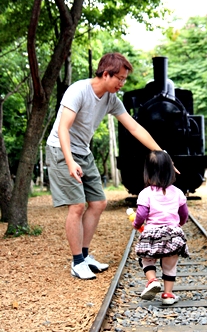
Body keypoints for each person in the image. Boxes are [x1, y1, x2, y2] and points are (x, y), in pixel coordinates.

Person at [46, 52, 165, 281]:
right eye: (119, 78)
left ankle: (85, 255)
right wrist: (70, 161)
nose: (122, 83)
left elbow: (134, 128)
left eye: (124, 79)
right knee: (77, 206)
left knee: (99, 203)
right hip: (62, 149)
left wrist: (162, 154)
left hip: (83, 151)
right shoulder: (78, 90)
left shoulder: (111, 99)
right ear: (106, 74)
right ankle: (77, 262)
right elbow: (63, 128)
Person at [133, 150, 189, 305]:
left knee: (147, 259)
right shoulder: (177, 192)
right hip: (172, 234)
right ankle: (168, 294)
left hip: (152, 234)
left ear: (148, 172)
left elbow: (142, 213)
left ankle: (152, 280)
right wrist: (180, 225)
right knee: (170, 265)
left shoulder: (146, 193)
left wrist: (137, 224)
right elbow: (184, 213)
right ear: (170, 171)